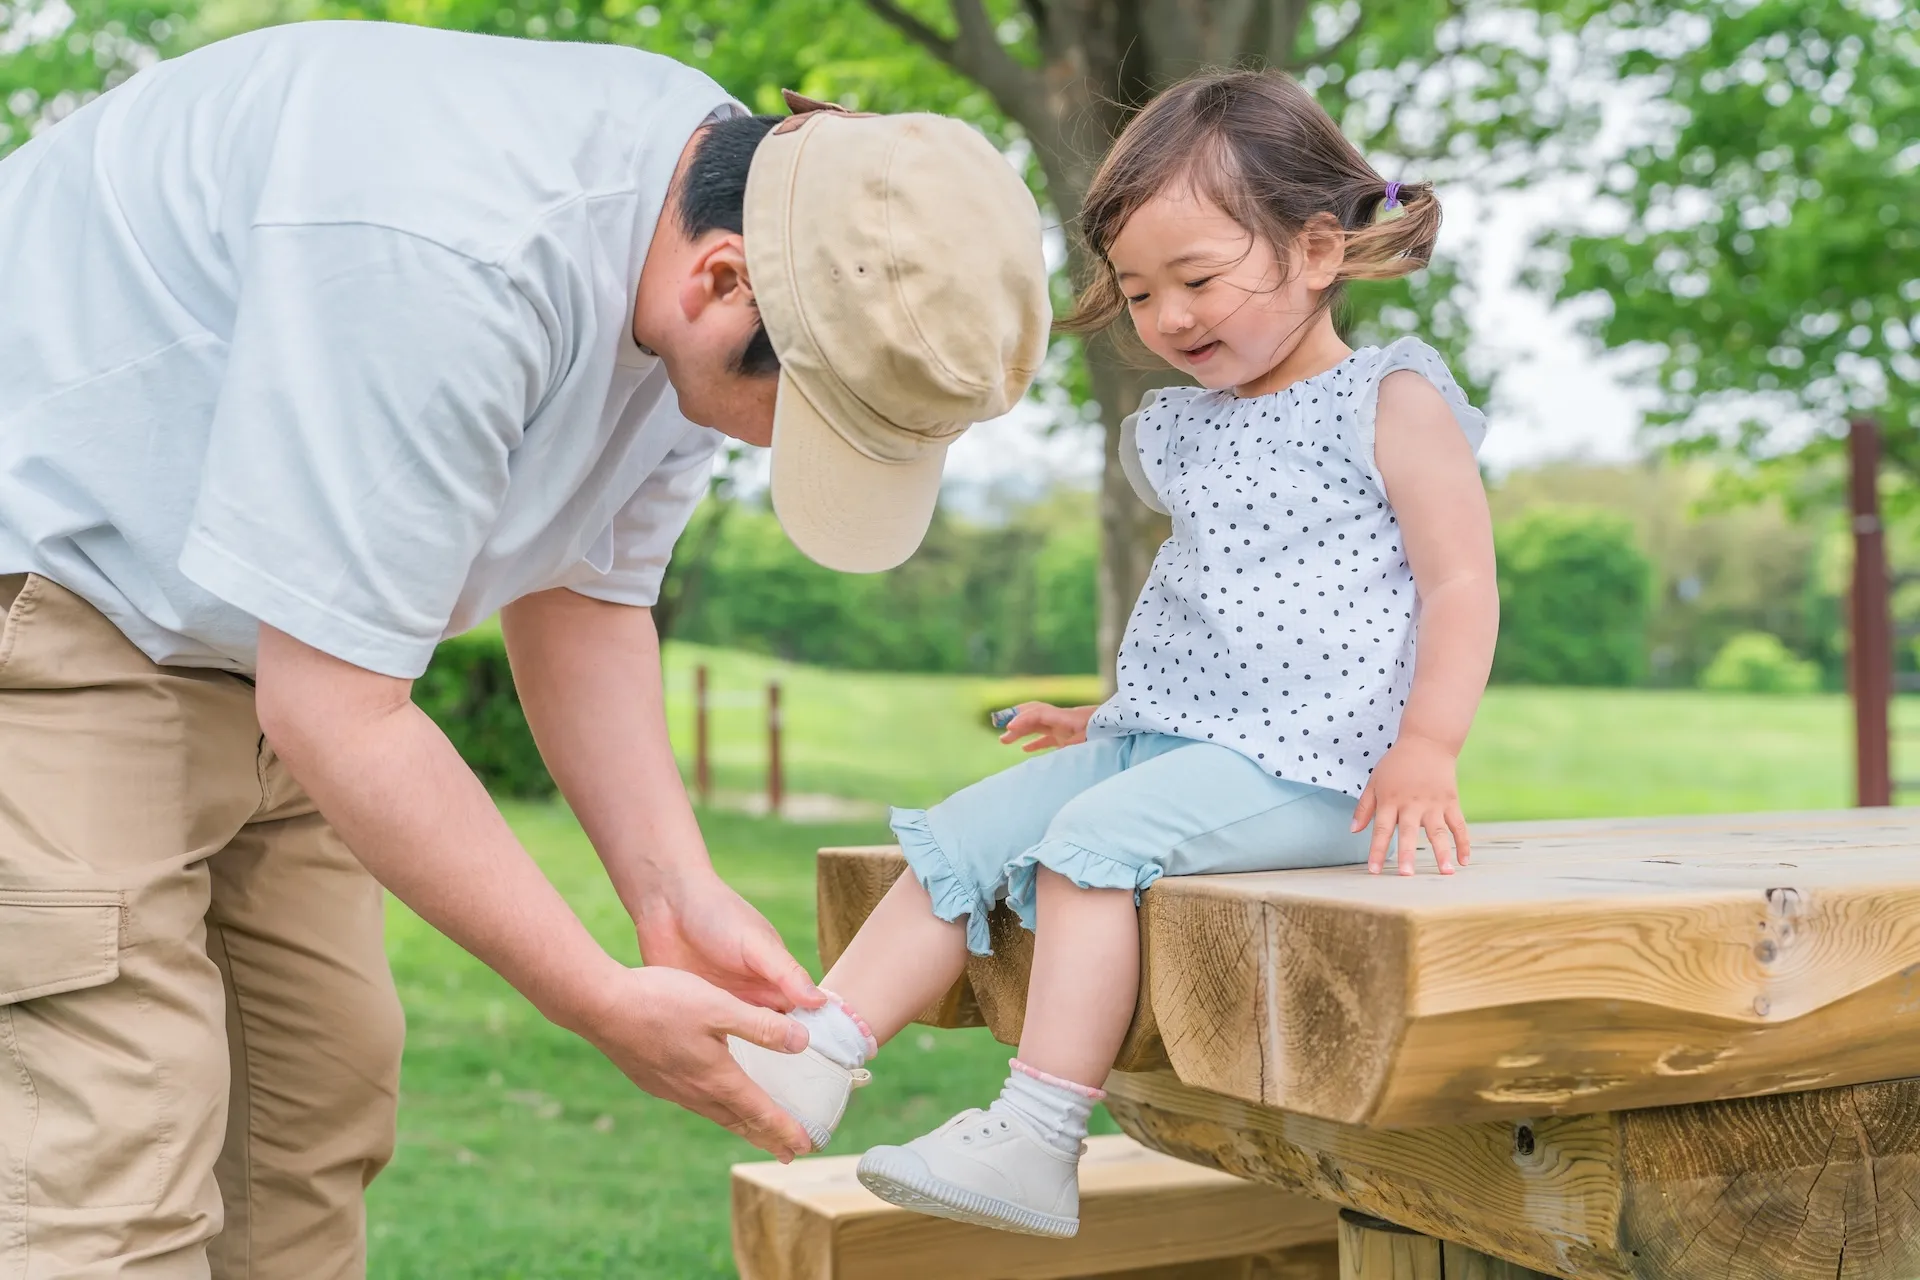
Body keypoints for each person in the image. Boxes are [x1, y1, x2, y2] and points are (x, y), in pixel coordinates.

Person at [0, 19, 1049, 1277]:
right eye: (809, 416)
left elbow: (585, 597)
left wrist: (673, 889)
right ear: (719, 285)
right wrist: (596, 997)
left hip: (267, 637)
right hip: (65, 598)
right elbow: (340, 709)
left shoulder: (747, 222)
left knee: (313, 1106)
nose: (783, 451)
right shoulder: (446, 252)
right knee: (117, 1139)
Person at [731, 68, 1500, 1238]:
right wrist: (1105, 717)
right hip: (1183, 738)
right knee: (968, 831)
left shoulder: (1388, 400)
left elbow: (1460, 583)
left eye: (1197, 277)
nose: (1170, 317)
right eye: (1140, 292)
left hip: (1323, 769)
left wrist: (1428, 745)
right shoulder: (1191, 425)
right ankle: (820, 1046)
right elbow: (1224, 612)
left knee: (1088, 846)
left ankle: (1038, 1133)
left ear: (1317, 249)